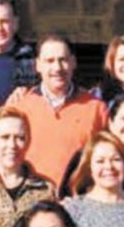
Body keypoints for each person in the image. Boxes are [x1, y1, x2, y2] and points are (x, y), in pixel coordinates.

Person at [8, 33, 108, 184]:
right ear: (37, 65)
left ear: (73, 62)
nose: (57, 68)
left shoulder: (96, 109)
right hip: (30, 195)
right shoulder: (19, 107)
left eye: (63, 60)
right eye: (50, 61)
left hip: (78, 196)